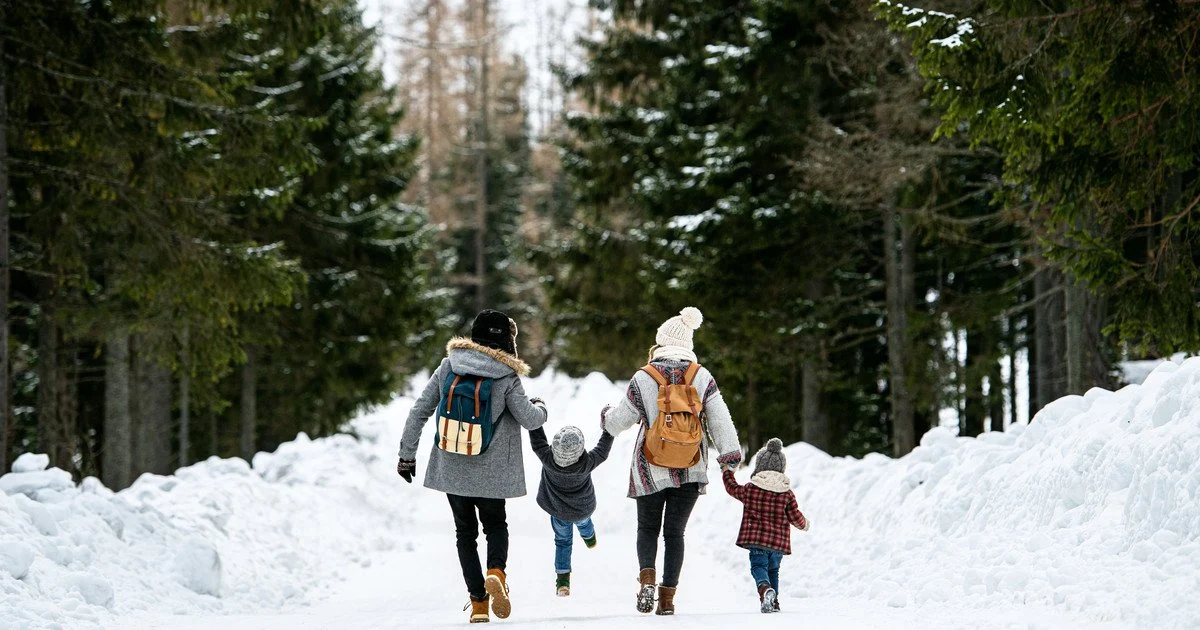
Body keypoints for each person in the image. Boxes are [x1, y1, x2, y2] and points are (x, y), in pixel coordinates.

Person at [397, 309, 548, 624]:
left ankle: (479, 603)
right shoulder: (506, 375)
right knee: (495, 526)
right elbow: (530, 419)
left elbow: (419, 410)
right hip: (493, 472)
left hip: (453, 466)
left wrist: (406, 455)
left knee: (465, 533)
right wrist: (541, 407)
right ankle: (496, 572)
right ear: (507, 340)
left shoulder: (449, 366)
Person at [601, 306, 743, 616]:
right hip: (691, 466)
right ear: (688, 345)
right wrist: (729, 458)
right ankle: (667, 600)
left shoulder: (644, 376)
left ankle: (647, 581)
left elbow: (618, 422)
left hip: (649, 467)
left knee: (648, 529)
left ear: (661, 342)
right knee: (675, 533)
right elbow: (720, 420)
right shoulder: (701, 376)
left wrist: (605, 417)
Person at [721, 437, 810, 613]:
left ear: (759, 466)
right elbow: (794, 516)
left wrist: (727, 471)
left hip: (757, 541)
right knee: (773, 570)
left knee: (758, 567)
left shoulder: (751, 489)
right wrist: (804, 524)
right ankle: (773, 602)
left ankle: (765, 590)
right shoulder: (787, 494)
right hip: (778, 544)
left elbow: (732, 488)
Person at [527, 422, 615, 596]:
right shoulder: (586, 463)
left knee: (562, 542)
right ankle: (589, 539)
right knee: (585, 524)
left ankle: (563, 582)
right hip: (582, 509)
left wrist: (535, 415)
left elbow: (537, 440)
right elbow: (602, 451)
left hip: (558, 512)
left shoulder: (547, 458)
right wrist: (609, 429)